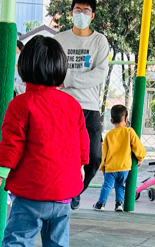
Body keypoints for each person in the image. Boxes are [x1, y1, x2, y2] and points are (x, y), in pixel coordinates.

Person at [0, 36, 88, 247]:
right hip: (64, 193)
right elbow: (82, 144)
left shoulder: (21, 104)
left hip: (32, 192)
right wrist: (79, 168)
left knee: (17, 239)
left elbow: (11, 144)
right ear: (60, 68)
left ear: (24, 67)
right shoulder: (72, 105)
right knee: (57, 244)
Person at [54, 0, 109, 210]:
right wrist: (65, 81)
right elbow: (54, 71)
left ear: (92, 15)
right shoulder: (59, 40)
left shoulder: (99, 41)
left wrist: (68, 80)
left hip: (89, 107)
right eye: (78, 9)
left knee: (94, 157)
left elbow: (99, 74)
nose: (82, 14)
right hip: (62, 105)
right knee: (61, 155)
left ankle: (75, 192)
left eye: (86, 10)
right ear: (71, 13)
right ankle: (60, 194)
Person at [94, 103, 145, 212]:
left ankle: (101, 204)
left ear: (111, 121)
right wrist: (140, 157)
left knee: (107, 186)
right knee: (120, 185)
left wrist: (102, 167)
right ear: (126, 119)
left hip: (111, 167)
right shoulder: (129, 132)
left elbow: (104, 152)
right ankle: (119, 204)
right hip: (124, 167)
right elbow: (137, 146)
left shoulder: (109, 134)